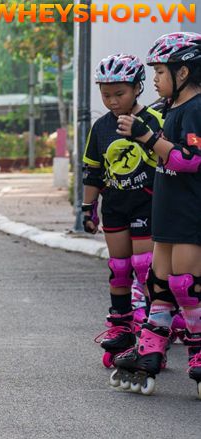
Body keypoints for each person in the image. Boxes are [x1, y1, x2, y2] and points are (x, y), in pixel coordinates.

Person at [111, 32, 201, 397]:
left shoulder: (195, 110)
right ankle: (150, 349)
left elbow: (189, 159)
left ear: (183, 74)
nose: (156, 79)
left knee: (187, 285)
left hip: (190, 213)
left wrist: (147, 138)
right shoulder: (171, 109)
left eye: (161, 71)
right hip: (166, 209)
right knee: (159, 284)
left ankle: (198, 353)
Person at [83, 54, 164, 368]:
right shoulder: (101, 127)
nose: (113, 101)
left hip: (147, 202)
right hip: (114, 206)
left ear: (136, 88)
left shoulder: (154, 121)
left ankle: (152, 328)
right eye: (106, 95)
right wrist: (89, 208)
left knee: (145, 267)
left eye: (120, 94)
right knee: (118, 267)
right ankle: (121, 326)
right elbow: (93, 170)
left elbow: (167, 158)